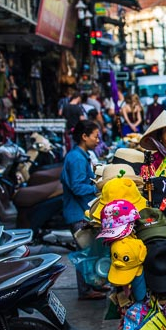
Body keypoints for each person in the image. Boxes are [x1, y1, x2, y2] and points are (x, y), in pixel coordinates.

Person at [61, 120, 106, 300]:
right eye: (96, 136)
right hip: (77, 213)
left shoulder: (80, 155)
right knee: (85, 253)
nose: (98, 140)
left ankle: (92, 284)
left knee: (89, 251)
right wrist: (99, 188)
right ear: (84, 136)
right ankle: (86, 290)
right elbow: (77, 187)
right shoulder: (77, 158)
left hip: (80, 211)